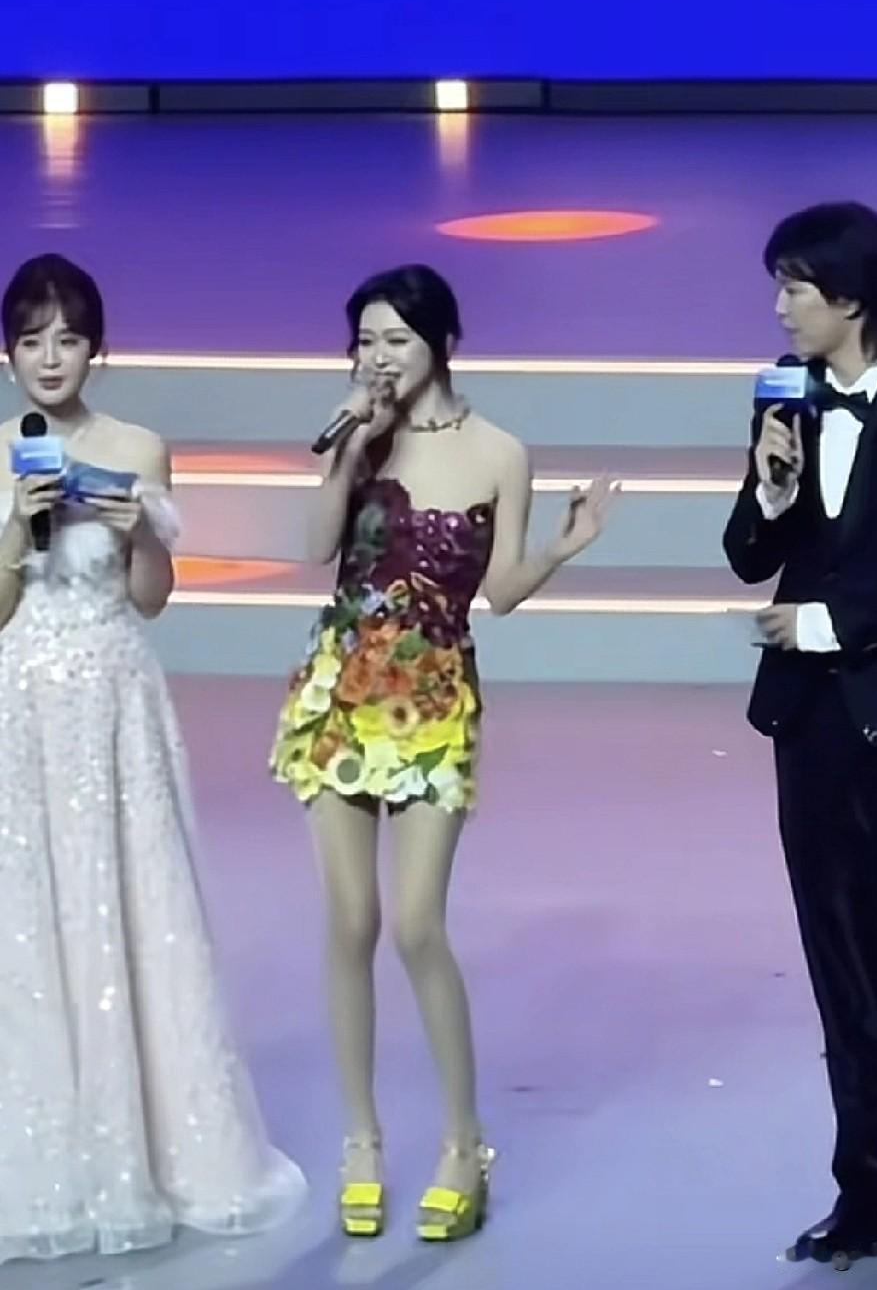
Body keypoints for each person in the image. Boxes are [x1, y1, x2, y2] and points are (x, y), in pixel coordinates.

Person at [271, 263, 613, 1241]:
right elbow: (313, 547)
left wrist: (563, 546)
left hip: (430, 699)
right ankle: (361, 1141)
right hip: (341, 690)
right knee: (351, 919)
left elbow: (498, 590)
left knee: (418, 923)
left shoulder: (501, 452)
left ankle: (464, 1144)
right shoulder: (362, 438)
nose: (378, 358)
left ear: (443, 343)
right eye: (365, 342)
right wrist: (350, 447)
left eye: (396, 340)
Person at [0, 254, 306, 1266]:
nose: (51, 357)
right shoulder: (0, 452)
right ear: (9, 355)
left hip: (115, 697)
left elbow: (151, 598)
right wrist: (16, 525)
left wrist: (142, 534)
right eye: (32, 340)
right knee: (29, 916)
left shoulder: (137, 447)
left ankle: (153, 1149)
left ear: (97, 347)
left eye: (68, 337)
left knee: (132, 903)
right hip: (21, 699)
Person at [723, 203, 877, 1271]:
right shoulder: (788, 399)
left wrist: (830, 623)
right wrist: (772, 487)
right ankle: (874, 1189)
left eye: (793, 288)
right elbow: (749, 551)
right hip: (810, 726)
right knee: (839, 964)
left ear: (849, 295)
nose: (779, 308)